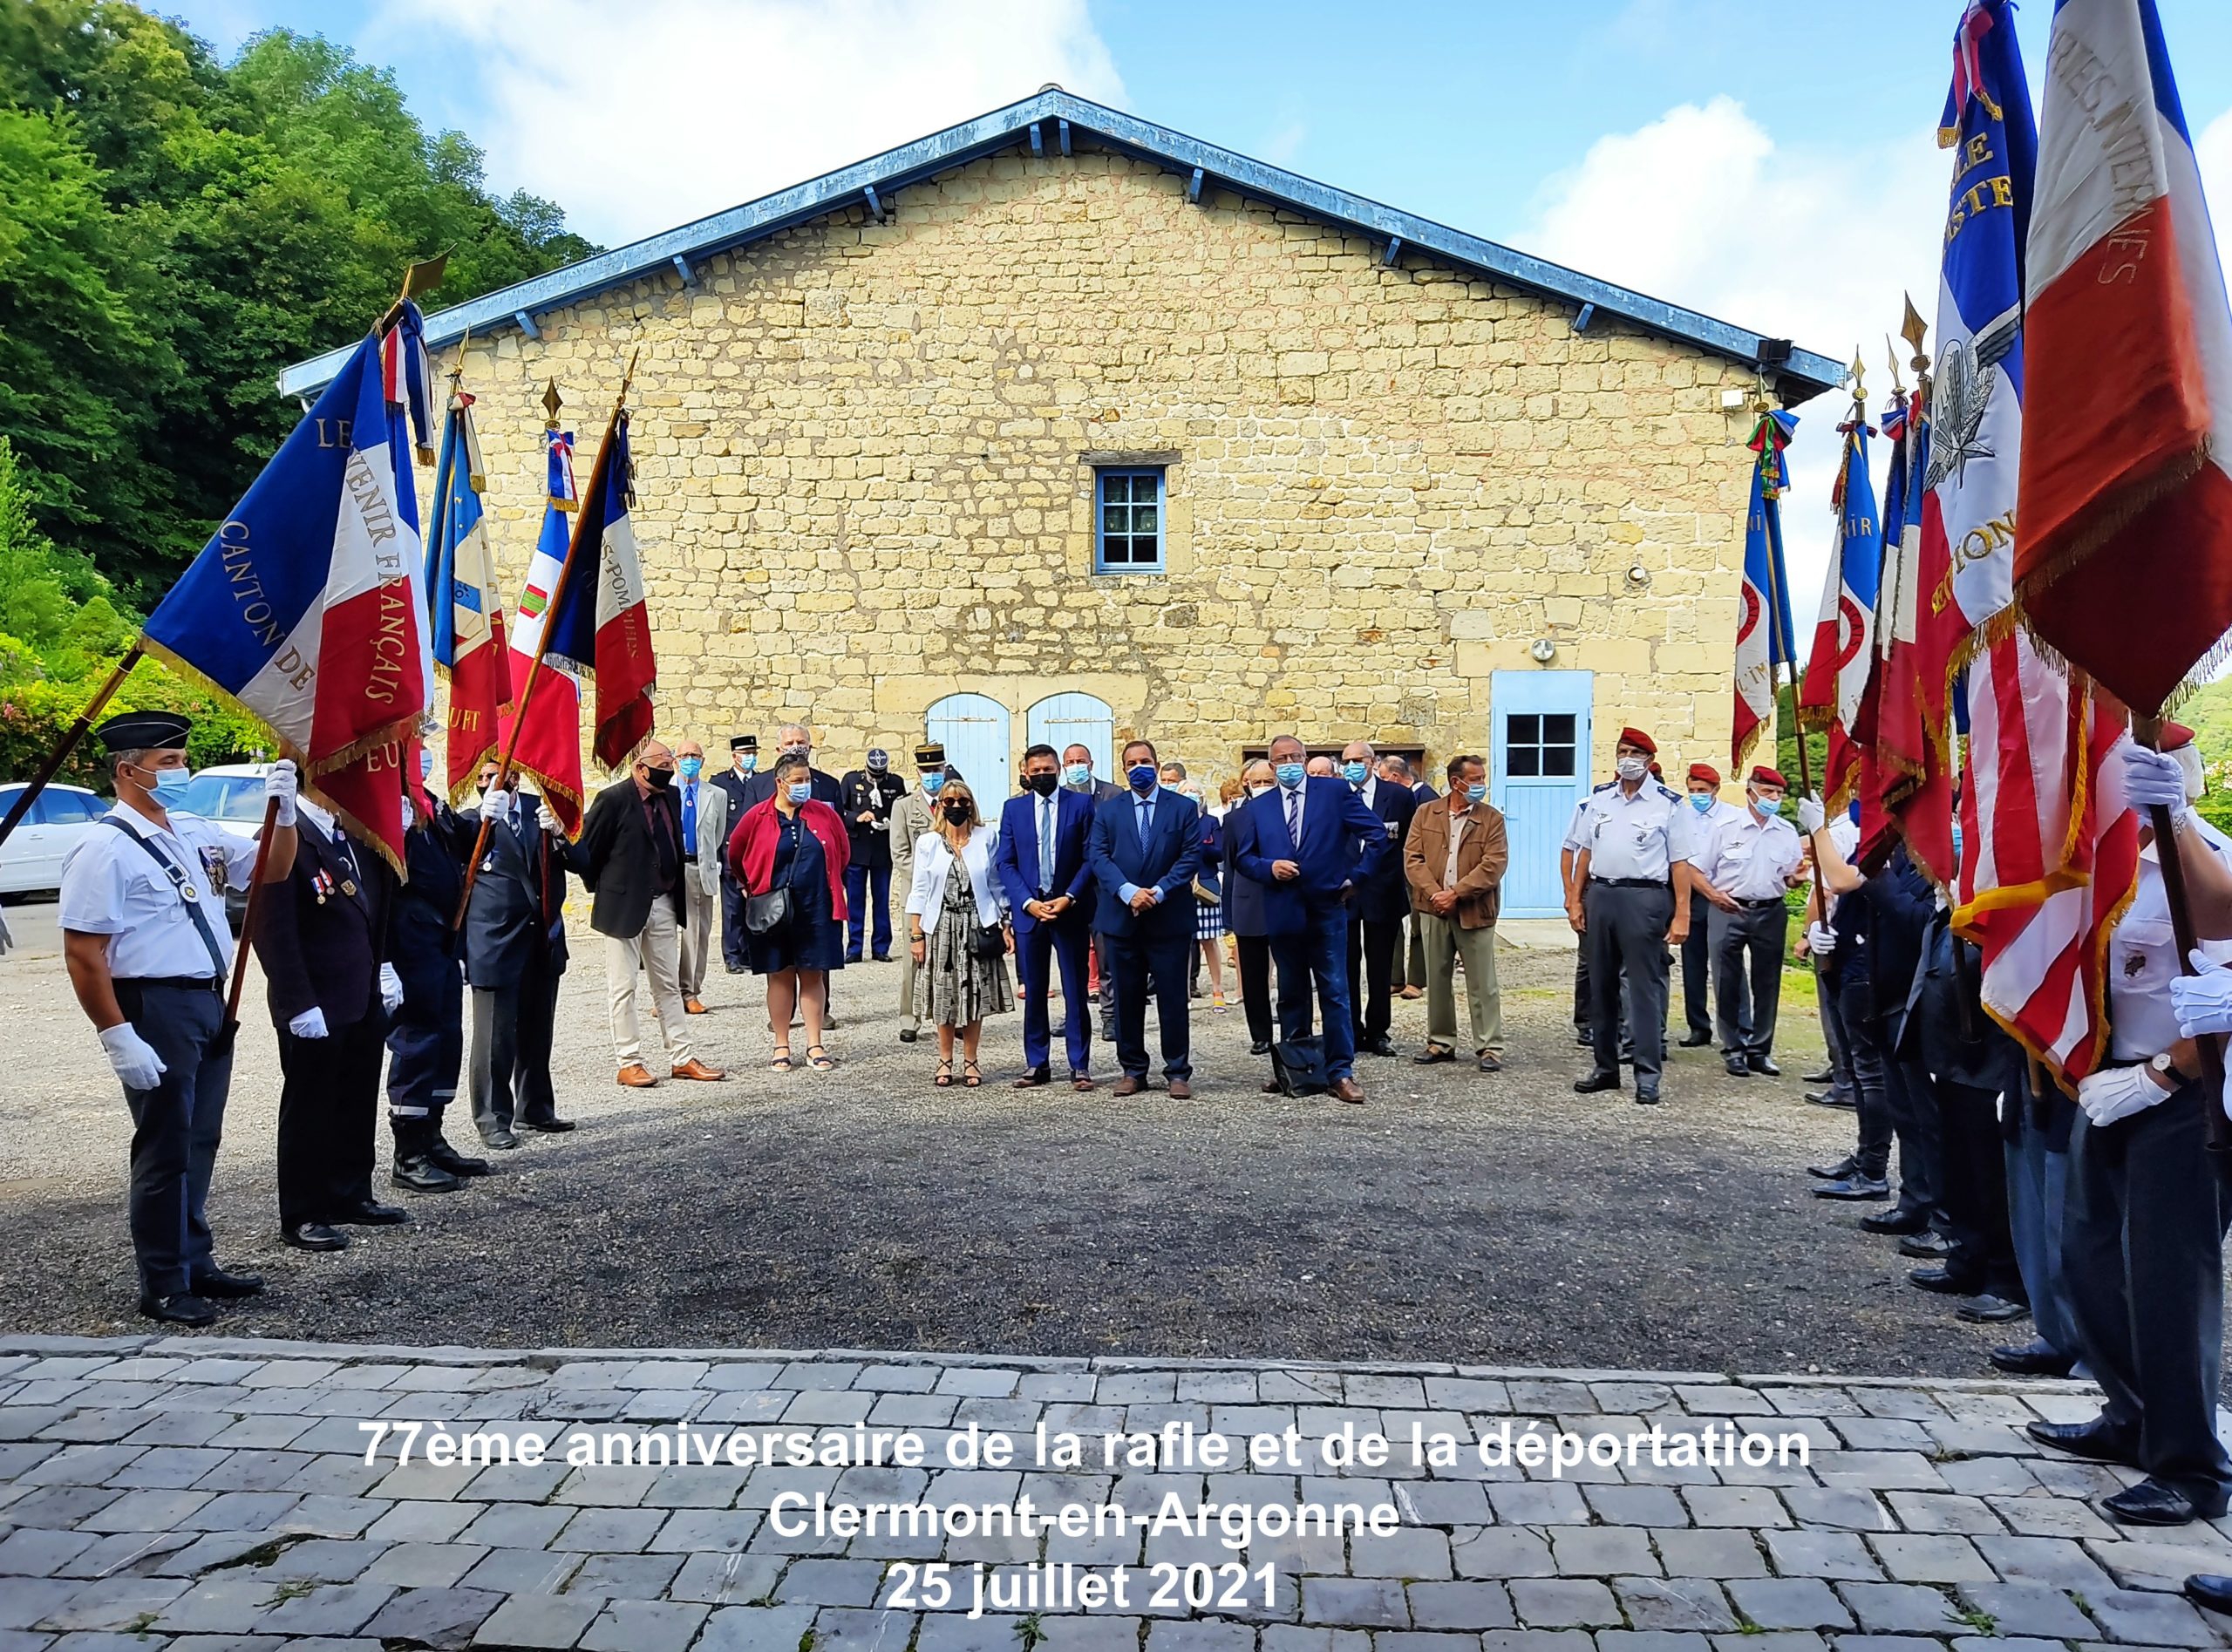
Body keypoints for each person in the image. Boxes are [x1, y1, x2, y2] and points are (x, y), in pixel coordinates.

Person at [2032, 740, 2232, 1529]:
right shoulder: (2101, 852)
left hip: (2181, 1093)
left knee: (2168, 1282)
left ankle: (2191, 1465)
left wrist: (2164, 1075)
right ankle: (2132, 1414)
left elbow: (2224, 988)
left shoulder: (2207, 859)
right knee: (2086, 1257)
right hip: (2103, 1080)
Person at [57, 711, 297, 1325]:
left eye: (181, 759)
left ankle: (195, 1259)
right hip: (152, 1004)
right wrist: (116, 1034)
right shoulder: (103, 848)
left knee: (200, 1137)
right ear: (126, 769)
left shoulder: (192, 829)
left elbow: (271, 867)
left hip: (206, 998)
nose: (180, 771)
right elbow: (84, 953)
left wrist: (286, 814)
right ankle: (162, 1280)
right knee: (164, 1147)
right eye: (168, 763)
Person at [256, 789, 403, 1254]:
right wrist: (296, 1001)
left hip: (358, 995)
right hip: (315, 1003)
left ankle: (350, 1192)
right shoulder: (285, 835)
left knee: (356, 1099)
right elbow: (272, 927)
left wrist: (383, 967)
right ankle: (303, 1213)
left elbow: (373, 909)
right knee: (310, 1108)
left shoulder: (352, 836)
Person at [1237, 733, 1388, 1105]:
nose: (1289, 763)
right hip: (1283, 909)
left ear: (1305, 759)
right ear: (1271, 766)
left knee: (1335, 991)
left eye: (1295, 756)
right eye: (1281, 759)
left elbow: (1377, 835)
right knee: (1290, 994)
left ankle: (1340, 1071)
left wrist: (1358, 877)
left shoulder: (1333, 794)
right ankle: (1294, 1066)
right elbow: (1243, 858)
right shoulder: (1260, 807)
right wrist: (1269, 867)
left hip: (1328, 907)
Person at [567, 740, 726, 1089]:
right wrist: (611, 890)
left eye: (671, 761)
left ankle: (682, 1057)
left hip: (665, 901)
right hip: (624, 906)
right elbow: (587, 854)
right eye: (664, 762)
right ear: (640, 767)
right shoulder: (613, 800)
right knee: (623, 987)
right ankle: (629, 1061)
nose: (670, 768)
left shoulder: (668, 797)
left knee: (668, 985)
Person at [384, 754, 489, 1193]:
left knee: (447, 1038)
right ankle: (408, 1155)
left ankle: (432, 1136)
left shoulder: (427, 801)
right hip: (409, 939)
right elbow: (384, 882)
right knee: (418, 1040)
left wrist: (488, 818)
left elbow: (463, 846)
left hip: (443, 937)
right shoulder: (388, 806)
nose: (423, 755)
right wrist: (385, 961)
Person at [1569, 728, 1689, 1105]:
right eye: (1623, 751)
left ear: (1650, 762)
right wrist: (1575, 900)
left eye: (1636, 752)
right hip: (1601, 894)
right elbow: (1584, 852)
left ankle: (1647, 1074)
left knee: (1643, 990)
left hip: (1645, 897)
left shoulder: (1669, 804)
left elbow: (1680, 863)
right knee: (1601, 986)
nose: (1628, 758)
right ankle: (1605, 1068)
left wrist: (1682, 913)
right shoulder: (1601, 799)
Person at [463, 767, 572, 1147]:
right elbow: (457, 886)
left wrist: (562, 835)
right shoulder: (470, 824)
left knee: (537, 1030)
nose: (491, 780)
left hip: (542, 936)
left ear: (516, 777)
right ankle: (492, 1117)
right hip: (494, 941)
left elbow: (585, 860)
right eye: (483, 774)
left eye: (499, 772)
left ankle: (535, 1107)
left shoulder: (541, 811)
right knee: (494, 1037)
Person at [1090, 738, 1203, 1098]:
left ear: (1156, 764)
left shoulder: (1183, 808)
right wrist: (1127, 891)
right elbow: (1098, 856)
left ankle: (1177, 1071)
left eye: (1145, 761)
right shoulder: (1109, 811)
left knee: (1173, 998)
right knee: (1126, 998)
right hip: (1122, 918)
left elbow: (1190, 856)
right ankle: (1133, 1069)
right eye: (1131, 763)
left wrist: (1157, 891)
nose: (1139, 767)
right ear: (1123, 769)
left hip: (1168, 916)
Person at [728, 751, 850, 1072]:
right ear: (780, 783)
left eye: (807, 780)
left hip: (817, 905)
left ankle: (815, 1043)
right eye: (798, 781)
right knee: (779, 976)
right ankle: (781, 1043)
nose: (804, 786)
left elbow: (843, 852)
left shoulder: (825, 815)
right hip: (772, 907)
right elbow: (737, 854)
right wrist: (749, 885)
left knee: (813, 973)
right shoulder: (757, 816)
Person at [994, 744, 1098, 1090]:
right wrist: (1025, 903)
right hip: (1030, 913)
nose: (1042, 775)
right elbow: (1005, 862)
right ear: (1025, 772)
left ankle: (1079, 1064)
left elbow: (1090, 858)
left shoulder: (1081, 805)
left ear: (1058, 769)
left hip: (1069, 910)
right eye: (1035, 770)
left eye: (1048, 769)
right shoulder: (1014, 809)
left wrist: (1069, 897)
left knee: (1074, 989)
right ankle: (1036, 1063)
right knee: (1035, 990)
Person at [1691, 765, 1803, 1078]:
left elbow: (1790, 877)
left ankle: (1759, 1050)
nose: (1774, 798)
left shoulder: (1786, 831)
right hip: (1729, 908)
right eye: (1767, 792)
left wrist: (1797, 879)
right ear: (1750, 792)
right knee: (1727, 980)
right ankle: (1733, 1049)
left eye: (1779, 793)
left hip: (1770, 910)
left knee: (1767, 982)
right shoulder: (1725, 828)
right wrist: (1713, 896)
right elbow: (1695, 870)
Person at [1405, 754, 1509, 1073]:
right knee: (1436, 978)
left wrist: (1457, 893)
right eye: (1475, 779)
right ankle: (1440, 1042)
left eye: (1481, 779)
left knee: (1482, 982)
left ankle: (1489, 1046)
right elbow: (1413, 858)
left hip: (1475, 910)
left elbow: (1493, 865)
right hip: (1433, 909)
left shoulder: (1492, 819)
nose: (1480, 785)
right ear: (1456, 782)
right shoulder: (1426, 814)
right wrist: (1436, 894)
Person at [905, 778, 1011, 1086]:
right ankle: (944, 1059)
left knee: (975, 994)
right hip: (941, 927)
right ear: (940, 807)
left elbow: (996, 884)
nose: (955, 807)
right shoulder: (928, 842)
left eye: (962, 801)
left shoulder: (986, 837)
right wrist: (916, 934)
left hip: (977, 925)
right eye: (948, 802)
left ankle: (972, 1060)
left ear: (971, 805)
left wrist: (1006, 923)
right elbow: (920, 890)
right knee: (944, 995)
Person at [1342, 739, 1417, 1058]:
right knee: (1346, 965)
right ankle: (1350, 1029)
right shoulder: (1336, 795)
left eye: (1359, 759)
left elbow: (1411, 841)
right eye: (1347, 761)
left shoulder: (1398, 796)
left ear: (1373, 762)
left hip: (1383, 889)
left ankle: (1378, 1031)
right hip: (1343, 891)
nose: (1353, 766)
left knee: (1380, 965)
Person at [890, 742, 954, 1044]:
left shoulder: (956, 801)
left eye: (936, 770)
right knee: (913, 958)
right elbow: (900, 852)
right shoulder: (904, 806)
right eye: (927, 770)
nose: (932, 775)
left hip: (952, 893)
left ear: (944, 769)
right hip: (916, 893)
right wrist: (925, 880)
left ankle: (952, 1016)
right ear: (918, 772)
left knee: (953, 956)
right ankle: (910, 1018)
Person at [1676, 764, 1742, 1048]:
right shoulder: (1681, 816)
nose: (1697, 796)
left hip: (1725, 895)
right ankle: (1698, 1026)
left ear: (1716, 789)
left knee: (1726, 965)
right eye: (1692, 791)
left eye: (1702, 790)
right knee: (1693, 964)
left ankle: (1734, 1029)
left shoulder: (1733, 817)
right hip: (1693, 895)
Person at [1064, 744, 1122, 1040]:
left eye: (1081, 761)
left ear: (1091, 762)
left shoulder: (1113, 795)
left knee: (1106, 955)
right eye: (1070, 762)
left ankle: (1111, 1015)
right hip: (1071, 889)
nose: (1076, 766)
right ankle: (1072, 1015)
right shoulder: (1061, 797)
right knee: (1072, 958)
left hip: (1103, 889)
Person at [1223, 761, 1279, 1054]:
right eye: (1256, 782)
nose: (1262, 786)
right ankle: (1261, 1034)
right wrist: (1228, 913)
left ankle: (1295, 1030)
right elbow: (1231, 866)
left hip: (1285, 901)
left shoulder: (1289, 812)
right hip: (1249, 902)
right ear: (1246, 783)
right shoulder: (1235, 819)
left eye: (1267, 780)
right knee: (1254, 974)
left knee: (1291, 970)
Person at [672, 739, 725, 1014]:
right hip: (670, 869)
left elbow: (717, 835)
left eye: (694, 755)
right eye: (684, 755)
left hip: (698, 868)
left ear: (703, 761)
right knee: (663, 935)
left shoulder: (716, 794)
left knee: (696, 933)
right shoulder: (665, 791)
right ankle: (667, 996)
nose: (689, 759)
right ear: (675, 760)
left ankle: (690, 991)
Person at [840, 748, 905, 963]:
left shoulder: (895, 783)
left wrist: (888, 822)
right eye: (873, 774)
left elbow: (901, 810)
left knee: (882, 900)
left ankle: (881, 947)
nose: (876, 778)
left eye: (880, 774)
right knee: (855, 901)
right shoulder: (851, 780)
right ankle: (855, 947)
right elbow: (840, 811)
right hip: (857, 849)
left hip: (881, 849)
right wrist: (857, 818)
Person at [711, 735, 758, 975]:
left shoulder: (761, 782)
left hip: (756, 855)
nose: (750, 757)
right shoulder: (720, 783)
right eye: (745, 753)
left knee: (754, 906)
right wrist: (717, 858)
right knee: (732, 908)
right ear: (734, 756)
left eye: (753, 753)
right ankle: (732, 955)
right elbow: (716, 823)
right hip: (732, 854)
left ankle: (750, 953)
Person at [744, 721, 842, 808]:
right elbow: (749, 826)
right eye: (789, 743)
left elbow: (837, 825)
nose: (796, 747)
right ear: (779, 750)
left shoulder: (830, 785)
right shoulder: (758, 785)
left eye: (801, 742)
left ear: (809, 748)